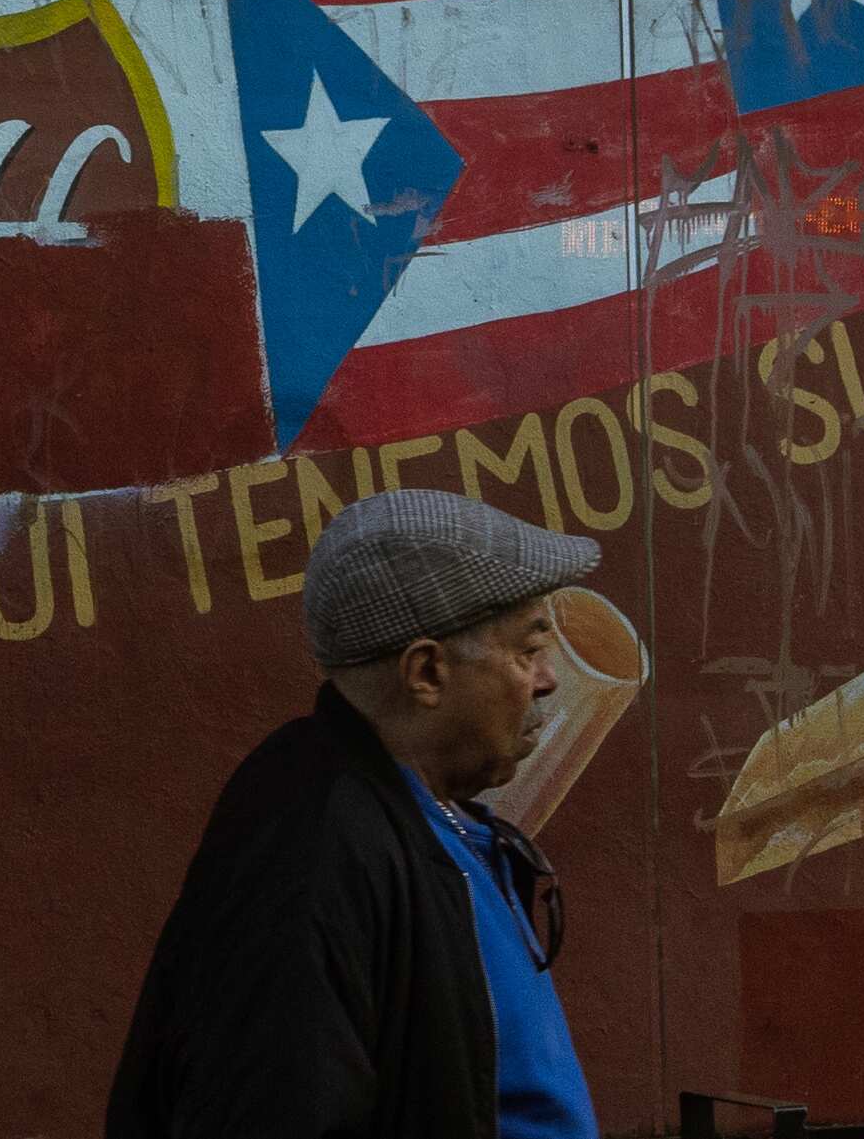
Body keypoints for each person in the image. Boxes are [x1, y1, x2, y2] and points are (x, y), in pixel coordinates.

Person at [105, 487, 604, 1139]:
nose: (547, 679)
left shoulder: (422, 814)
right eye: (528, 648)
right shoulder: (313, 849)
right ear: (426, 671)